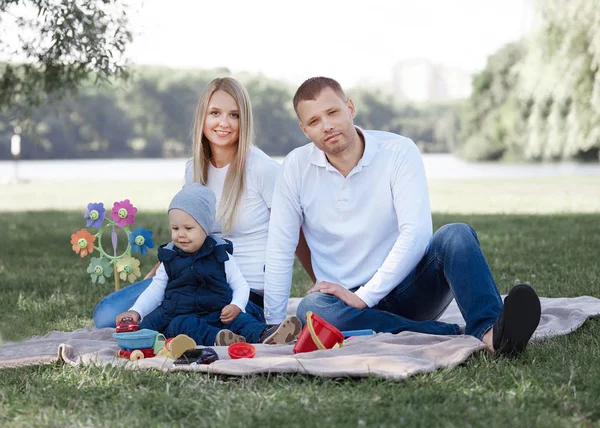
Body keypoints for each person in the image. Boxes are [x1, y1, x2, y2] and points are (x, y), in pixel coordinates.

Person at [263, 76, 541, 356]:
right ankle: (448, 333)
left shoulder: (398, 151)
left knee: (456, 234)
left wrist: (364, 297)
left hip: (410, 287)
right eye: (314, 122)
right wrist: (274, 323)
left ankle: (491, 332)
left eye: (332, 112)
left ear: (350, 107)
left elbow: (416, 234)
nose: (327, 126)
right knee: (311, 309)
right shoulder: (295, 167)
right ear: (304, 130)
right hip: (343, 303)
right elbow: (280, 246)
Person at [93, 77, 313, 328]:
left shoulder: (264, 170)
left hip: (243, 291)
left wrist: (315, 281)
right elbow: (189, 227)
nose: (224, 123)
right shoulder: (194, 170)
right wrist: (163, 267)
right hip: (190, 277)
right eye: (215, 113)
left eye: (234, 115)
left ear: (245, 121)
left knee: (151, 325)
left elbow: (293, 236)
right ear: (202, 117)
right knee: (107, 316)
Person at [116, 183, 302, 346]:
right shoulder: (170, 257)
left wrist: (236, 305)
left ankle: (266, 334)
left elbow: (240, 285)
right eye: (175, 228)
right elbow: (155, 292)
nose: (181, 234)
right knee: (180, 326)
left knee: (241, 320)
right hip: (181, 314)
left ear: (205, 228)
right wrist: (136, 311)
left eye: (188, 228)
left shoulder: (220, 254)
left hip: (219, 312)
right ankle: (219, 339)